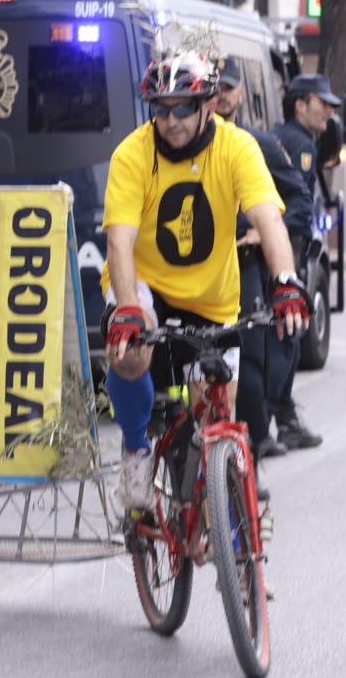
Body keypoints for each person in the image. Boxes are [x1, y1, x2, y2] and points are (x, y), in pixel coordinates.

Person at [102, 48, 310, 512]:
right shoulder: (132, 154)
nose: (171, 119)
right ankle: (136, 449)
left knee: (214, 417)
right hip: (144, 283)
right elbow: (119, 240)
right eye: (161, 108)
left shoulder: (237, 148)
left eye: (182, 107)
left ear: (208, 106)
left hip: (212, 299)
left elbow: (269, 219)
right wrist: (128, 309)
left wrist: (287, 281)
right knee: (130, 352)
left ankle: (235, 551)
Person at [208, 60, 318, 462]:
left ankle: (251, 445)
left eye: (229, 87)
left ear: (240, 94)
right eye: (215, 86)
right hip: (197, 270)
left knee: (249, 356)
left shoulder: (258, 145)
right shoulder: (187, 147)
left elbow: (299, 201)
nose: (221, 94)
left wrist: (265, 231)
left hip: (246, 265)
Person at [270, 73, 337, 451]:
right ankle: (276, 419)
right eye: (322, 102)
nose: (329, 111)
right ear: (300, 104)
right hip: (286, 247)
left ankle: (281, 415)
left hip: (274, 244)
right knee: (287, 333)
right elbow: (296, 202)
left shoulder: (280, 136)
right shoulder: (299, 145)